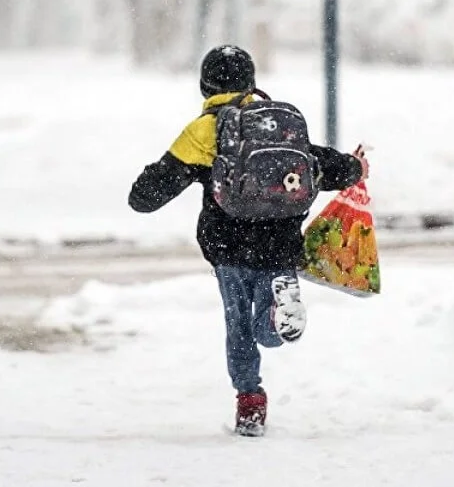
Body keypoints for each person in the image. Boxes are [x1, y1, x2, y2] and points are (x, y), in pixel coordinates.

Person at [128, 45, 368, 436]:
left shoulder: (205, 130)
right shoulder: (281, 122)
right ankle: (277, 313)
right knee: (266, 328)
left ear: (205, 85)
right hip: (282, 241)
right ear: (252, 81)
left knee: (238, 326)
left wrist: (151, 179)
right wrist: (356, 166)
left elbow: (146, 198)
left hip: (230, 245)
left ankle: (250, 403)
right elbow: (320, 163)